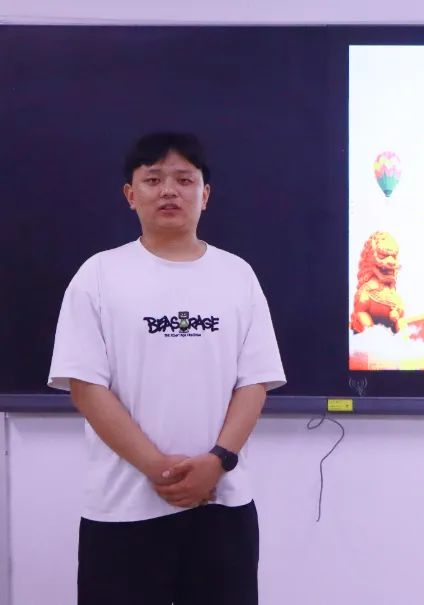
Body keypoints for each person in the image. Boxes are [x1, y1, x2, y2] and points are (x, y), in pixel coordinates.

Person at [47, 132, 286, 605]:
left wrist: (217, 462)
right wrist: (158, 469)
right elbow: (85, 386)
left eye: (184, 179)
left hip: (222, 502)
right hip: (122, 507)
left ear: (205, 194)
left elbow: (255, 382)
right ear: (130, 194)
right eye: (153, 180)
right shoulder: (98, 275)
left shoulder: (237, 275)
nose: (169, 191)